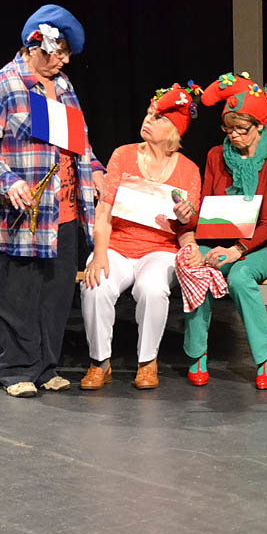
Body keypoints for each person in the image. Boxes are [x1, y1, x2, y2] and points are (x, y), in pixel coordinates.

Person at [0, 4, 103, 397]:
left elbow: (78, 142)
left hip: (63, 210)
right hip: (16, 214)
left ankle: (44, 367)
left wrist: (96, 169)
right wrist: (8, 181)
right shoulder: (3, 85)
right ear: (37, 44)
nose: (64, 61)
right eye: (60, 52)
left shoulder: (64, 87)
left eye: (68, 55)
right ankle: (15, 371)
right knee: (14, 294)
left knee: (54, 295)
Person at [80, 84, 202, 390]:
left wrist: (185, 217)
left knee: (152, 288)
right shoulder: (123, 155)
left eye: (158, 117)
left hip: (159, 250)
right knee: (95, 284)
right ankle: (99, 362)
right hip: (118, 246)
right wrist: (100, 254)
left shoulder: (188, 170)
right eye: (149, 113)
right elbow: (104, 210)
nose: (148, 120)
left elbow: (187, 226)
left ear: (174, 130)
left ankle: (147, 362)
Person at [180, 72, 267, 389]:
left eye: (242, 129)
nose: (235, 136)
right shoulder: (216, 156)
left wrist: (236, 251)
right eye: (229, 129)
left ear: (260, 126)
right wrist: (188, 215)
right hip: (215, 241)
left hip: (259, 249)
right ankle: (197, 353)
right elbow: (207, 209)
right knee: (195, 267)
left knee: (240, 277)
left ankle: (265, 357)